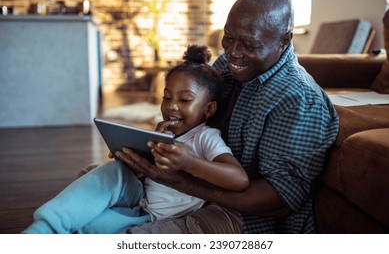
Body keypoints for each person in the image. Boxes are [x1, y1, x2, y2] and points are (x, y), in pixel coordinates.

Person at [116, 0, 339, 234]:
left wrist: (181, 181)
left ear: (284, 40)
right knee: (96, 179)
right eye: (229, 38)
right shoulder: (228, 66)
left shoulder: (297, 100)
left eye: (249, 44)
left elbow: (280, 200)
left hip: (247, 218)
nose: (233, 52)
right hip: (185, 193)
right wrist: (148, 154)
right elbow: (193, 119)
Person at [22, 45, 249, 234]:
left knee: (86, 227)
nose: (172, 106)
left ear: (208, 109)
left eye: (185, 100)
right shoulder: (162, 133)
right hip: (138, 197)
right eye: (166, 97)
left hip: (154, 218)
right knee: (111, 172)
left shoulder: (205, 137)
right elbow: (143, 173)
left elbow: (239, 180)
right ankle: (41, 230)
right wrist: (133, 157)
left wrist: (190, 162)